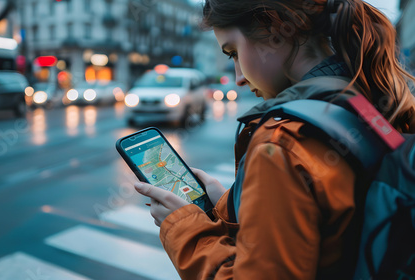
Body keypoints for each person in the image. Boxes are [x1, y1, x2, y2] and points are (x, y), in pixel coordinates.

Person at [133, 0, 415, 279]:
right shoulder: (366, 101)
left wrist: (183, 227)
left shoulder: (282, 142)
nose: (238, 78)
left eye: (233, 52)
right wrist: (228, 204)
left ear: (274, 27)